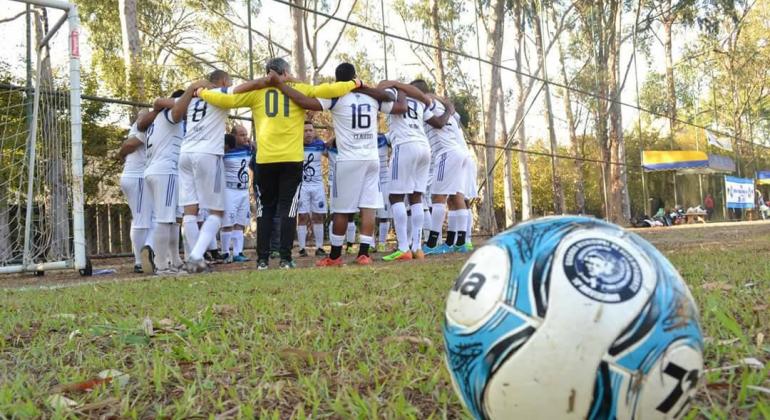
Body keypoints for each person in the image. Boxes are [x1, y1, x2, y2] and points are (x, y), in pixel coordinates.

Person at [197, 58, 361, 270]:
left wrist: (201, 92)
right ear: (285, 72)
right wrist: (354, 83)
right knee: (288, 210)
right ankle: (285, 258)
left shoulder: (257, 92)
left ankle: (263, 260)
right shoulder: (296, 89)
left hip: (265, 160)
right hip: (291, 160)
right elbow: (329, 89)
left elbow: (225, 100)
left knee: (265, 210)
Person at [272, 62, 394, 266]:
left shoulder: (336, 96)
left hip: (349, 159)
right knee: (368, 207)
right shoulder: (372, 97)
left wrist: (283, 85)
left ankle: (335, 256)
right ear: (355, 77)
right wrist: (363, 86)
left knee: (342, 209)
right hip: (371, 158)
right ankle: (364, 254)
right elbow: (392, 100)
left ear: (337, 81)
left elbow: (304, 101)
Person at [377, 80, 454, 262]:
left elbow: (383, 95)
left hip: (404, 146)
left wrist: (395, 88)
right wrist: (449, 111)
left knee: (395, 197)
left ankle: (403, 247)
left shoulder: (395, 100)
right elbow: (438, 123)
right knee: (416, 197)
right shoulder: (420, 104)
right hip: (424, 147)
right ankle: (417, 247)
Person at [173, 71, 233, 273]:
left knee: (190, 210)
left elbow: (174, 115)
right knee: (217, 212)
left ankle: (194, 259)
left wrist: (190, 89)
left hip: (185, 153)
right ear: (224, 82)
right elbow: (242, 93)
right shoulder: (222, 93)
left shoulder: (193, 98)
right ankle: (196, 257)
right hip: (208, 153)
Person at [137, 89, 186, 275]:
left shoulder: (156, 120)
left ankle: (174, 260)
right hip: (166, 170)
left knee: (172, 220)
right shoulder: (170, 114)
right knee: (165, 219)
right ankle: (161, 264)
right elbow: (161, 102)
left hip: (154, 170)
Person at [117, 110, 154, 273]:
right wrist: (120, 154)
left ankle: (148, 257)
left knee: (147, 218)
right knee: (142, 220)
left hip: (137, 177)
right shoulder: (144, 128)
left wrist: (121, 154)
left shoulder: (139, 128)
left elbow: (128, 146)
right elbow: (129, 145)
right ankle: (139, 261)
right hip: (137, 177)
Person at [221, 126, 254, 263]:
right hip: (229, 190)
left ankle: (237, 252)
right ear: (233, 136)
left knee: (240, 223)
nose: (245, 137)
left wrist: (253, 145)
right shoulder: (225, 150)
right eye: (241, 135)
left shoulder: (249, 149)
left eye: (246, 134)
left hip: (243, 191)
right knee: (228, 222)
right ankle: (224, 253)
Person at [297, 122, 328, 257]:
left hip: (317, 186)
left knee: (318, 216)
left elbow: (331, 151)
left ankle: (320, 248)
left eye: (310, 130)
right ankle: (302, 248)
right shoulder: (295, 145)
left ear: (314, 132)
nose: (308, 133)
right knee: (302, 216)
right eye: (305, 131)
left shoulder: (319, 145)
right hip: (301, 186)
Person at [374, 133, 392, 253]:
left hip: (384, 180)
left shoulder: (384, 137)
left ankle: (381, 244)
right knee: (368, 212)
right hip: (370, 181)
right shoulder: (359, 137)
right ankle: (369, 243)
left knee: (384, 216)